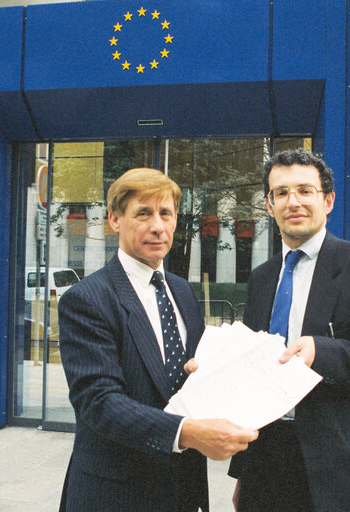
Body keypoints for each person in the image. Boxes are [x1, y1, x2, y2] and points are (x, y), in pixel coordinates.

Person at [228, 149, 350, 511]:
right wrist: (243, 473)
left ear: (328, 200)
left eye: (305, 190)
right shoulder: (262, 278)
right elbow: (254, 384)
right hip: (268, 469)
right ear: (269, 206)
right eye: (281, 193)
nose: (293, 201)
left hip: (344, 473)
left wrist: (324, 353)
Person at [57, 168, 258, 512]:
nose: (157, 226)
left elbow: (189, 378)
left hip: (183, 491)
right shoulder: (87, 299)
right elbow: (100, 402)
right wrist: (188, 433)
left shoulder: (182, 292)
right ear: (115, 220)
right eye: (143, 213)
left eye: (166, 213)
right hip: (116, 495)